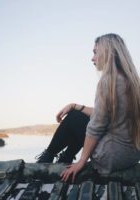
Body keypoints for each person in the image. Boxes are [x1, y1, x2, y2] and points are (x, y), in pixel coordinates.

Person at [36, 33, 140, 182]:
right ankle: (64, 158)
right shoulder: (133, 82)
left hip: (110, 157)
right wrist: (75, 106)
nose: (92, 58)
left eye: (95, 52)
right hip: (131, 156)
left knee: (74, 118)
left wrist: (81, 162)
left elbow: (96, 126)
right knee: (76, 113)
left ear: (107, 52)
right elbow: (102, 114)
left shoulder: (108, 82)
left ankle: (48, 158)